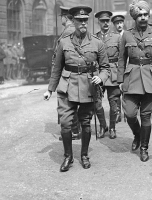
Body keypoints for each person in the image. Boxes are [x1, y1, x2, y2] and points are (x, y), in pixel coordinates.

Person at [43, 5, 110, 171]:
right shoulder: (64, 42)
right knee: (65, 124)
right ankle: (68, 156)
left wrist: (100, 78)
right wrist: (50, 89)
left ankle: (84, 154)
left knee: (86, 123)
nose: (83, 23)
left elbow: (106, 68)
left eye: (85, 20)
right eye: (79, 20)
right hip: (67, 86)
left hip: (88, 86)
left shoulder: (97, 43)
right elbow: (57, 68)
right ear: (73, 20)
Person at [117, 0, 152, 162]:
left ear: (149, 15)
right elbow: (122, 59)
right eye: (139, 15)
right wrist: (120, 79)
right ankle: (137, 134)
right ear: (134, 17)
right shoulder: (126, 35)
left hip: (151, 78)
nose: (142, 17)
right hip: (132, 78)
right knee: (130, 114)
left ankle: (144, 148)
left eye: (145, 14)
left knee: (146, 115)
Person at [55, 6, 81, 141]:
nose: (61, 19)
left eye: (61, 17)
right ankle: (74, 130)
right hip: (68, 71)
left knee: (66, 103)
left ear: (65, 17)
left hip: (67, 72)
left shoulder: (68, 31)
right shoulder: (69, 30)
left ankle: (73, 131)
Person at [94, 11, 121, 139]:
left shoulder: (117, 37)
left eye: (107, 21)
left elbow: (122, 58)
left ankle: (112, 128)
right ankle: (103, 126)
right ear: (98, 22)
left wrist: (122, 76)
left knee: (114, 103)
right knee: (97, 103)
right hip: (99, 73)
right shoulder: (94, 38)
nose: (105, 23)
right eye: (102, 21)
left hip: (114, 73)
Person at [111, 14, 126, 123]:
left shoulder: (128, 35)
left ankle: (127, 113)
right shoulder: (113, 36)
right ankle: (118, 113)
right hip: (117, 67)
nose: (119, 25)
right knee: (117, 92)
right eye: (117, 23)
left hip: (128, 66)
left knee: (127, 92)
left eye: (120, 23)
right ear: (114, 25)